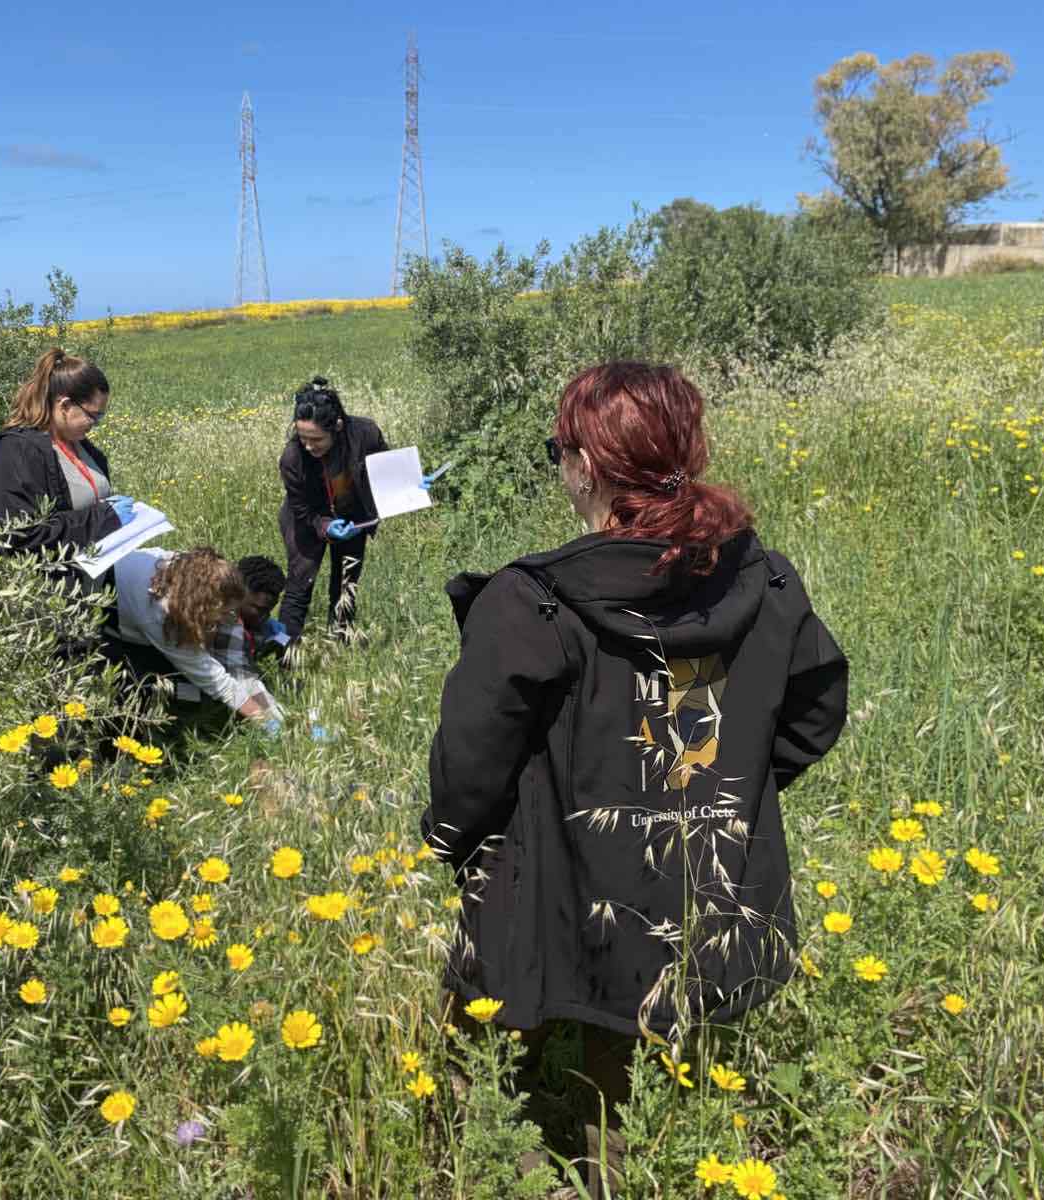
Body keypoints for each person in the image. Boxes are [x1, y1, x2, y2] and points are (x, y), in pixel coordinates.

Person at [422, 362, 847, 1179]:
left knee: (479, 1064)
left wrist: (456, 843)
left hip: (545, 879)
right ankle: (615, 1171)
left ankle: (470, 1170)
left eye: (558, 448)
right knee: (633, 1070)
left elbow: (470, 765)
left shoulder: (531, 600)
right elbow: (815, 711)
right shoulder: (763, 580)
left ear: (586, 465)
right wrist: (726, 790)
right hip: (694, 872)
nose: (558, 466)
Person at [0, 347, 138, 590]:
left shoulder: (81, 446)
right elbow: (15, 536)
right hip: (45, 607)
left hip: (93, 596)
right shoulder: (15, 452)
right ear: (64, 405)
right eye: (93, 415)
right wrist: (103, 518)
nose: (96, 424)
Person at [105, 545, 281, 726]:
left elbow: (235, 659)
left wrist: (270, 707)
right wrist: (267, 721)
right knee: (158, 685)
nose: (225, 619)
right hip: (107, 618)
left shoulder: (195, 571)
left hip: (125, 581)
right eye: (222, 613)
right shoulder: (163, 618)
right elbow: (219, 684)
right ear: (203, 607)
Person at [276, 377, 387, 643]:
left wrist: (410, 482)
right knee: (300, 584)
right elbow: (301, 509)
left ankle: (339, 641)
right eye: (302, 438)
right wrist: (325, 526)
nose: (308, 446)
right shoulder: (292, 459)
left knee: (346, 581)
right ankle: (285, 650)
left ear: (337, 426)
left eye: (316, 439)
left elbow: (385, 465)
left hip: (353, 517)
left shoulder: (365, 433)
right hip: (305, 519)